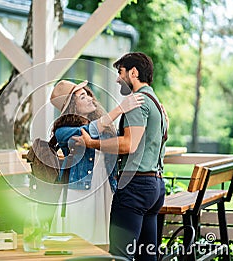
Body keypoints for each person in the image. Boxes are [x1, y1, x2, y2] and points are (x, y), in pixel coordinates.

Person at [72, 52, 168, 260]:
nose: (117, 78)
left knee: (120, 256)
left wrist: (92, 143)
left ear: (134, 72)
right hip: (155, 187)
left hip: (135, 187)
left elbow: (128, 144)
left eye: (120, 72)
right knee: (146, 256)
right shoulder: (155, 102)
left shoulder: (136, 101)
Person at [48, 79, 144, 245]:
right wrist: (120, 109)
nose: (90, 99)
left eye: (88, 94)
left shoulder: (103, 126)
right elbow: (89, 131)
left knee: (103, 245)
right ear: (72, 106)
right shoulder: (63, 132)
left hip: (104, 189)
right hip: (79, 194)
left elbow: (118, 144)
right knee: (79, 245)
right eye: (83, 97)